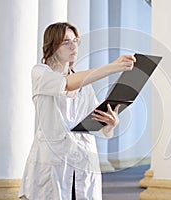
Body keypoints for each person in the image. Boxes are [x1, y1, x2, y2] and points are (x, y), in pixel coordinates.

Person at [18, 22, 136, 200]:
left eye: (75, 40)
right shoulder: (41, 73)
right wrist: (114, 67)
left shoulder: (85, 86)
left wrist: (111, 124)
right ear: (52, 45)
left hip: (83, 161)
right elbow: (66, 84)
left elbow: (97, 125)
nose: (73, 46)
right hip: (52, 161)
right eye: (66, 42)